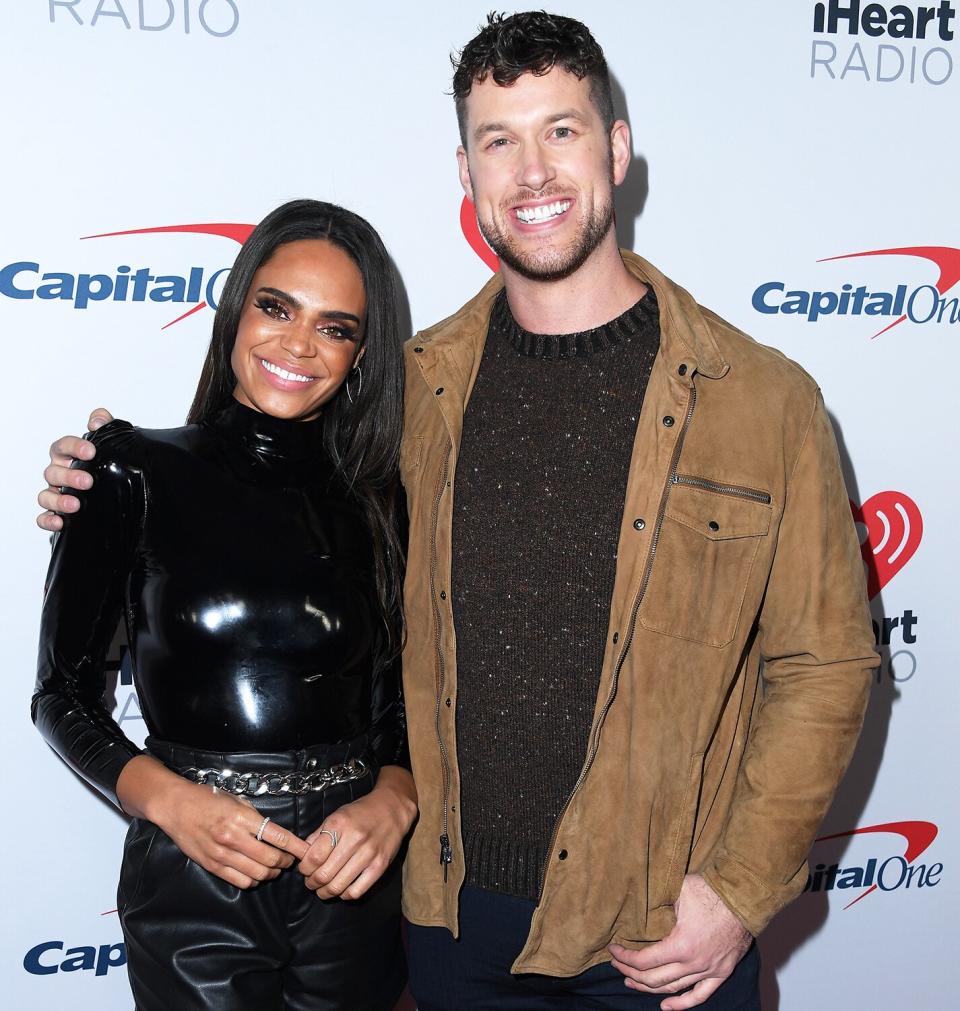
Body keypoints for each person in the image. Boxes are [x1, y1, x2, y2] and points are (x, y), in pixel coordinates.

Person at [38, 12, 878, 1011]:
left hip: (658, 931)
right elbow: (271, 482)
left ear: (615, 147)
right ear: (467, 175)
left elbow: (824, 663)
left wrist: (739, 891)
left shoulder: (762, 399)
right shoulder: (412, 393)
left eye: (560, 131)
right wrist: (100, 476)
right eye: (499, 140)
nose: (532, 171)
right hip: (447, 924)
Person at [33, 199, 417, 1011]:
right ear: (237, 305)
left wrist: (395, 794)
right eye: (276, 307)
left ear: (361, 353)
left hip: (353, 870)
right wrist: (173, 802)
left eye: (336, 327)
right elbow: (61, 696)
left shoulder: (383, 502)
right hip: (196, 871)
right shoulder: (128, 471)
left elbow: (400, 707)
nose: (298, 345)